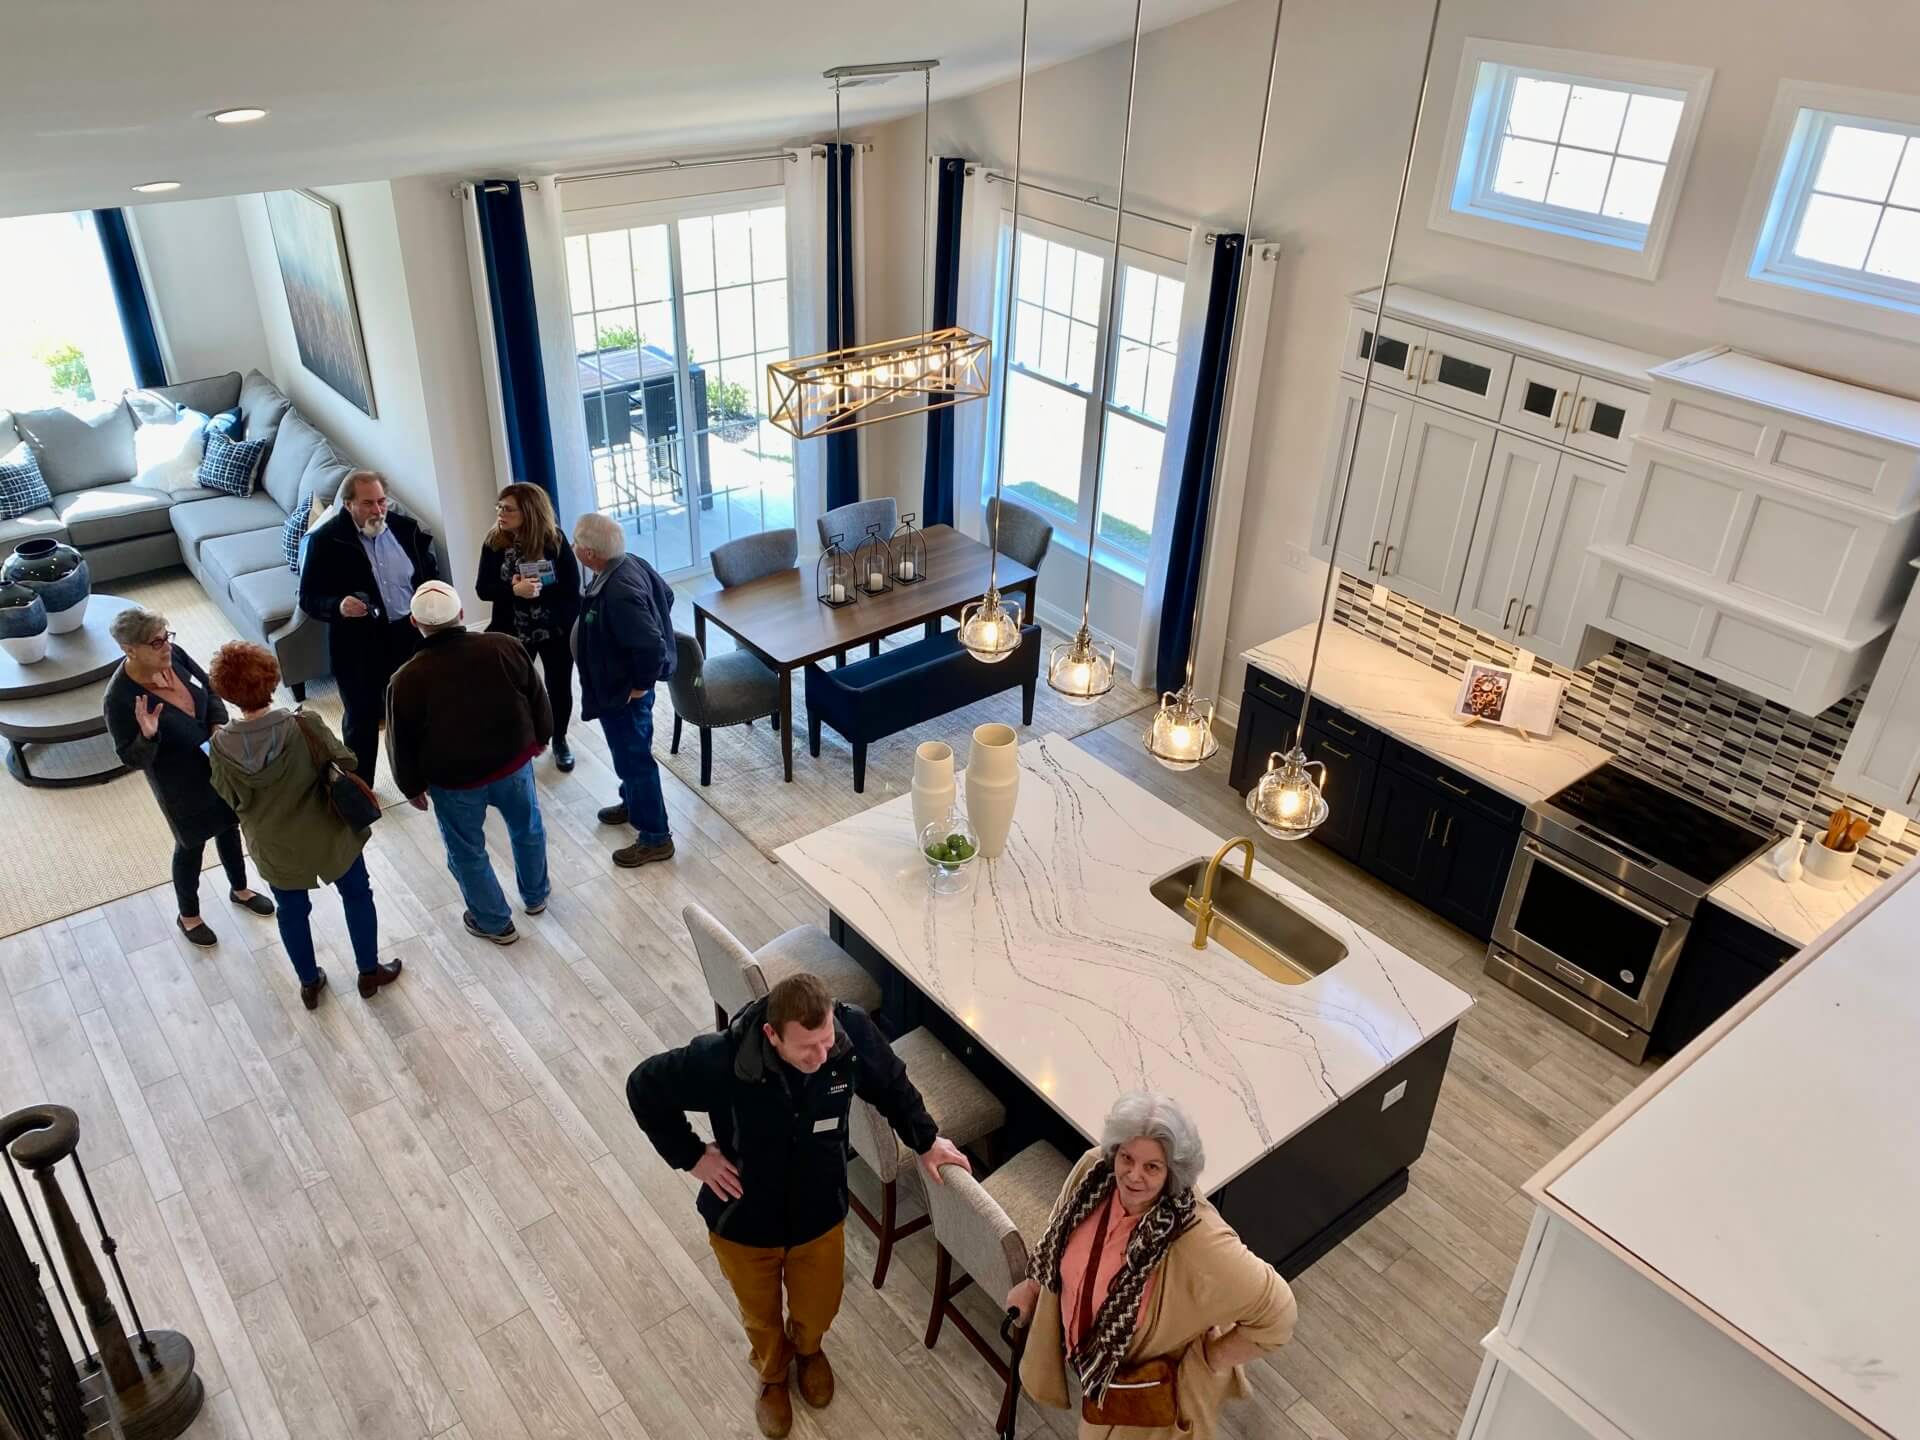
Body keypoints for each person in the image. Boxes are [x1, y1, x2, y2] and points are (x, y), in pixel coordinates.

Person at [628, 971, 973, 1438]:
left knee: (820, 1304)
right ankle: (772, 1374)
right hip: (743, 1220)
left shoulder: (846, 1040)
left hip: (819, 1213)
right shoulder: (722, 1060)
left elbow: (892, 1083)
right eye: (807, 1047)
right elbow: (643, 1086)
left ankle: (808, 1349)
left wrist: (927, 1140)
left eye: (826, 1040)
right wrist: (691, 1156)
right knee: (759, 1314)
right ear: (772, 1035)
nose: (822, 1055)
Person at [1006, 1091, 1296, 1440]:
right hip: (1089, 1359)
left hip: (1136, 1391)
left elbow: (1280, 1313)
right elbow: (1058, 1228)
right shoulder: (1095, 1171)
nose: (1133, 1175)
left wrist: (1208, 1361)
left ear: (1173, 1171)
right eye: (1126, 1157)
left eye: (1152, 1167)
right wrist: (1035, 1285)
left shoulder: (1198, 1239)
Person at [206, 641, 402, 1010]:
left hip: (274, 845)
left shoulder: (218, 745)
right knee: (358, 895)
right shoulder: (304, 724)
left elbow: (230, 799)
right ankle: (368, 973)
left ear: (226, 692)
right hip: (330, 833)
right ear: (271, 678)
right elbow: (348, 760)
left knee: (291, 911)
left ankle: (309, 984)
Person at [385, 579, 552, 946]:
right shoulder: (505, 646)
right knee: (527, 828)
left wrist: (410, 787)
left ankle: (494, 923)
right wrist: (541, 738)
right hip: (513, 766)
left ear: (415, 623)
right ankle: (536, 896)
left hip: (455, 783)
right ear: (460, 614)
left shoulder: (405, 679)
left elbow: (401, 741)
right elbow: (537, 695)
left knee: (467, 851)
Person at [102, 608, 274, 947]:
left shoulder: (175, 655)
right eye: (156, 642)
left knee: (229, 825)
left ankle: (239, 889)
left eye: (167, 636)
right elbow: (130, 757)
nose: (166, 646)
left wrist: (216, 724)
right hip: (179, 784)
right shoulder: (118, 698)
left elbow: (208, 690)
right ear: (130, 649)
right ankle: (189, 915)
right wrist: (148, 735)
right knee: (191, 845)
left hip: (219, 764)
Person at [297, 469, 440, 789]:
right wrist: (337, 606)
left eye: (381, 502)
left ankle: (421, 775)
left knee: (415, 709)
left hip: (408, 634)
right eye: (367, 504)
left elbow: (428, 578)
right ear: (348, 504)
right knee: (361, 718)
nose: (377, 510)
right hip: (357, 642)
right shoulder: (325, 541)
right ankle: (363, 787)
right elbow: (307, 597)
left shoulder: (407, 531)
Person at [571, 510, 675, 868]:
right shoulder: (630, 563)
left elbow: (650, 645)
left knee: (635, 759)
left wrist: (640, 685)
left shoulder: (618, 593)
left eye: (576, 543)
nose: (573, 547)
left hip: (625, 693)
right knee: (627, 754)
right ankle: (632, 801)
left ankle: (655, 837)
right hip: (616, 687)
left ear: (589, 553)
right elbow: (667, 595)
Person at [475, 482, 581, 772]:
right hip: (512, 630)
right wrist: (515, 591)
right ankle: (519, 743)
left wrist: (539, 593)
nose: (500, 513)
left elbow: (572, 589)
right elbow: (483, 589)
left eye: (507, 509)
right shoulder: (494, 542)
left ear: (529, 511)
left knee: (559, 686)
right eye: (499, 507)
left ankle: (558, 739)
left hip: (554, 629)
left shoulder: (554, 541)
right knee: (512, 690)